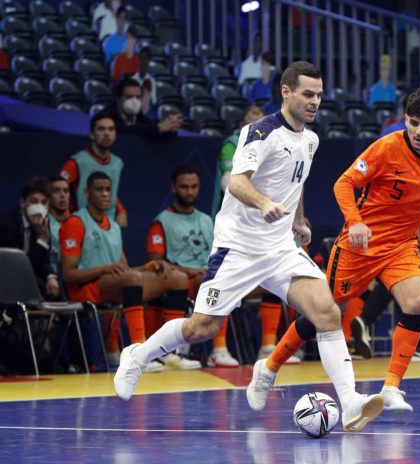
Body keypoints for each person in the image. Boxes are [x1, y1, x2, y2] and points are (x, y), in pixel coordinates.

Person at [113, 61, 385, 433]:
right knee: (200, 328)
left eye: (319, 95)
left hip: (280, 249)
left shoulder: (310, 139)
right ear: (286, 92)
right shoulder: (259, 132)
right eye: (307, 94)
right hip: (238, 248)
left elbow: (296, 182)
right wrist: (263, 203)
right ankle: (138, 356)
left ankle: (350, 401)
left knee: (326, 312)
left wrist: (298, 221)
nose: (315, 101)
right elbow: (237, 183)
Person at [255, 88, 420, 413]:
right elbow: (343, 183)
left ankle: (392, 388)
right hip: (360, 245)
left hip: (403, 245)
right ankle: (269, 366)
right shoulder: (386, 148)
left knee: (416, 302)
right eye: (413, 123)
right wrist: (355, 222)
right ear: (405, 120)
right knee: (321, 313)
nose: (419, 131)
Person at [60, 171, 195, 370]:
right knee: (132, 279)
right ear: (87, 193)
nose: (105, 194)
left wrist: (148, 267)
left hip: (115, 283)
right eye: (99, 189)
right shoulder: (75, 222)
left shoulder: (114, 227)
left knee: (178, 278)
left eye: (108, 190)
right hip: (84, 288)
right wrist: (105, 269)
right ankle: (139, 353)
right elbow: (68, 274)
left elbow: (125, 269)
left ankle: (169, 352)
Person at [146, 164, 238, 368]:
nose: (190, 192)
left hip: (206, 279)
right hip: (180, 282)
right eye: (184, 187)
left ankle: (219, 350)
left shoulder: (206, 220)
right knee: (209, 282)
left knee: (224, 280)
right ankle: (171, 351)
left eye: (194, 186)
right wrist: (188, 271)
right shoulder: (162, 221)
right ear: (173, 188)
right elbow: (155, 265)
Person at [60, 113, 128, 227]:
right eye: (101, 129)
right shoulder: (76, 162)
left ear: (115, 135)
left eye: (111, 129)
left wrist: (121, 211)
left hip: (109, 226)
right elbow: (57, 193)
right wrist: (69, 220)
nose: (107, 134)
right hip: (82, 225)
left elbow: (111, 192)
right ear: (92, 134)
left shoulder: (118, 163)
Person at [0, 177, 57, 298]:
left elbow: (44, 261)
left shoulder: (44, 223)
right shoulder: (7, 224)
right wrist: (42, 240)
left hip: (28, 279)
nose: (39, 207)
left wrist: (50, 276)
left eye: (44, 202)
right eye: (34, 201)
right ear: (23, 203)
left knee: (54, 289)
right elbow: (21, 268)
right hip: (8, 279)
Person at [104, 77, 182, 139]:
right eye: (129, 97)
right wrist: (158, 127)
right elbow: (125, 130)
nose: (134, 101)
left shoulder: (138, 115)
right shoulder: (106, 116)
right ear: (118, 99)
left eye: (138, 97)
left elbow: (149, 129)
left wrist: (170, 129)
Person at [219, 105, 265, 195]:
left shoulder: (269, 146)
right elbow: (227, 181)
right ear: (242, 126)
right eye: (251, 125)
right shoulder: (231, 145)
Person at [47, 176, 72, 279]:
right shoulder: (42, 223)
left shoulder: (77, 222)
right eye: (56, 191)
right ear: (48, 197)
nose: (62, 195)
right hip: (53, 277)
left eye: (66, 191)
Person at [131, 48, 157, 115]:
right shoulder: (132, 80)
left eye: (146, 59)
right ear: (138, 61)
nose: (144, 61)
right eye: (142, 59)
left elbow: (153, 101)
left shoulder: (152, 81)